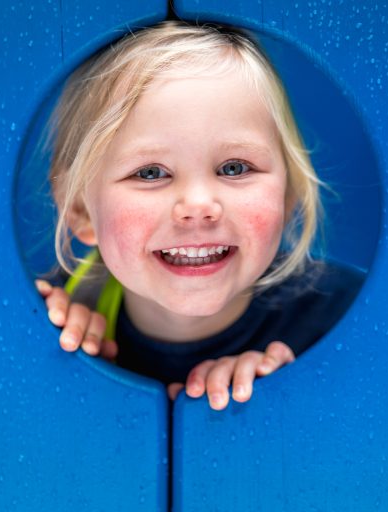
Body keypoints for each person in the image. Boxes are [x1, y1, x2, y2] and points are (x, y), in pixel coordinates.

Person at [34, 20, 364, 410]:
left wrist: (279, 392)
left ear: (288, 193)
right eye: (150, 173)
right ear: (79, 211)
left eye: (234, 168)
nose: (197, 206)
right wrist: (55, 355)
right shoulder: (63, 311)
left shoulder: (345, 319)